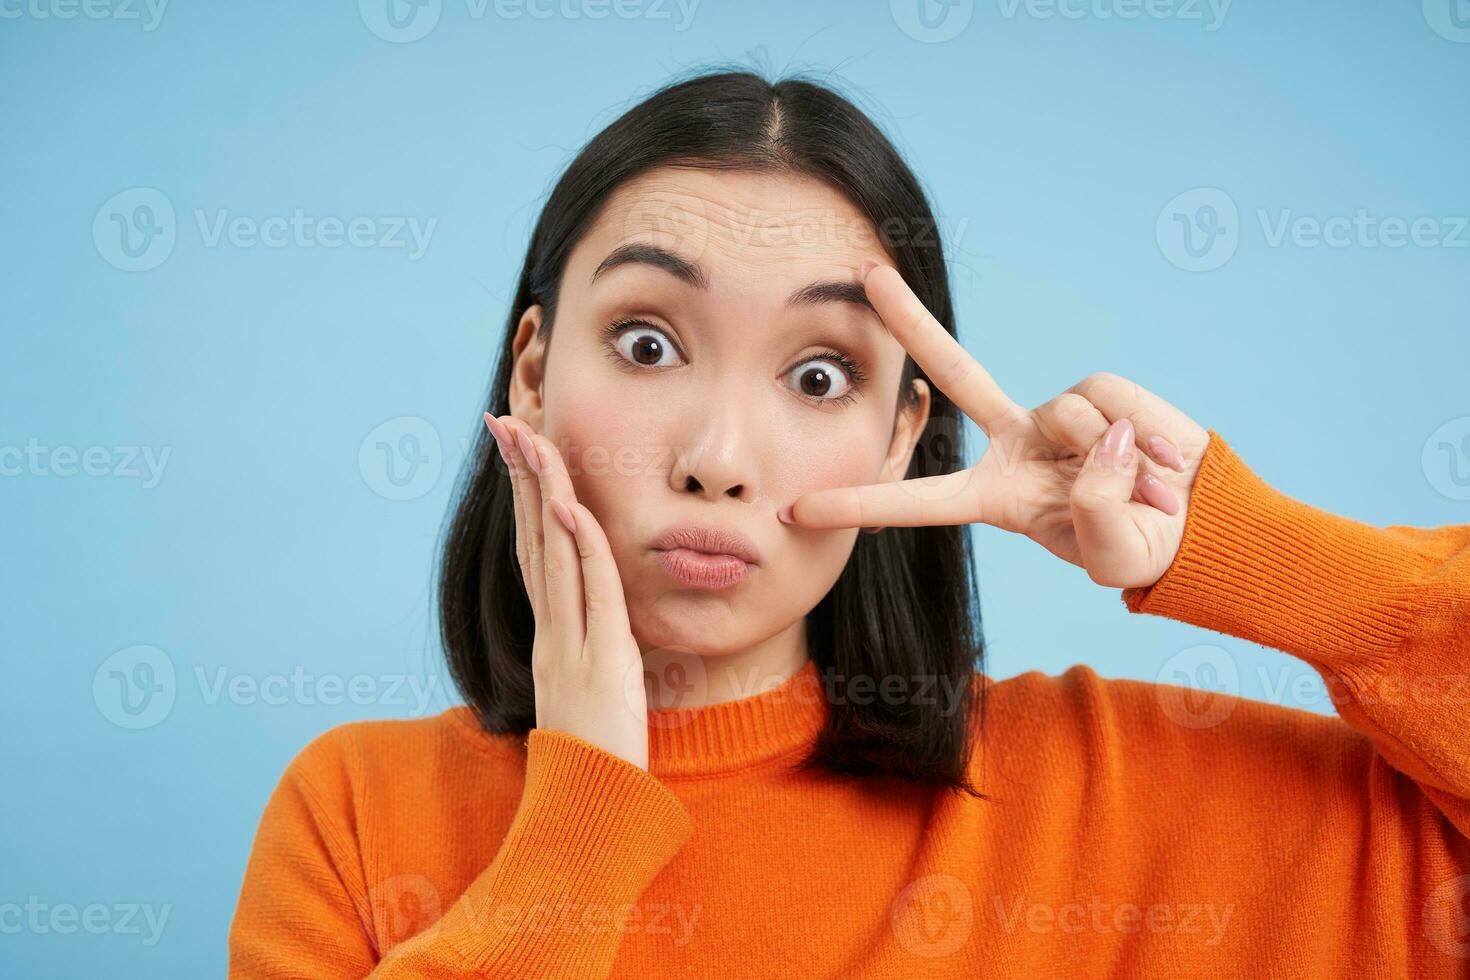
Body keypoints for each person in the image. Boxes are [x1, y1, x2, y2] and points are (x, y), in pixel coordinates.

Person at [228, 69, 1470, 978]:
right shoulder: (356, 812)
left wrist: (1248, 549)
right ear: (535, 371)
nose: (717, 458)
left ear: (897, 431)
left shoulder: (1111, 790)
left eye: (819, 374)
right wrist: (584, 813)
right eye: (648, 342)